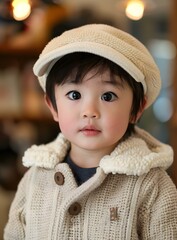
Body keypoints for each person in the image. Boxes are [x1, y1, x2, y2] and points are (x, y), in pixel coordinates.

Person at [4, 24, 177, 239]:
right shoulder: (34, 179)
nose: (89, 112)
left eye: (108, 96)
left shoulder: (152, 187)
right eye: (74, 95)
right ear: (52, 106)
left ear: (137, 109)